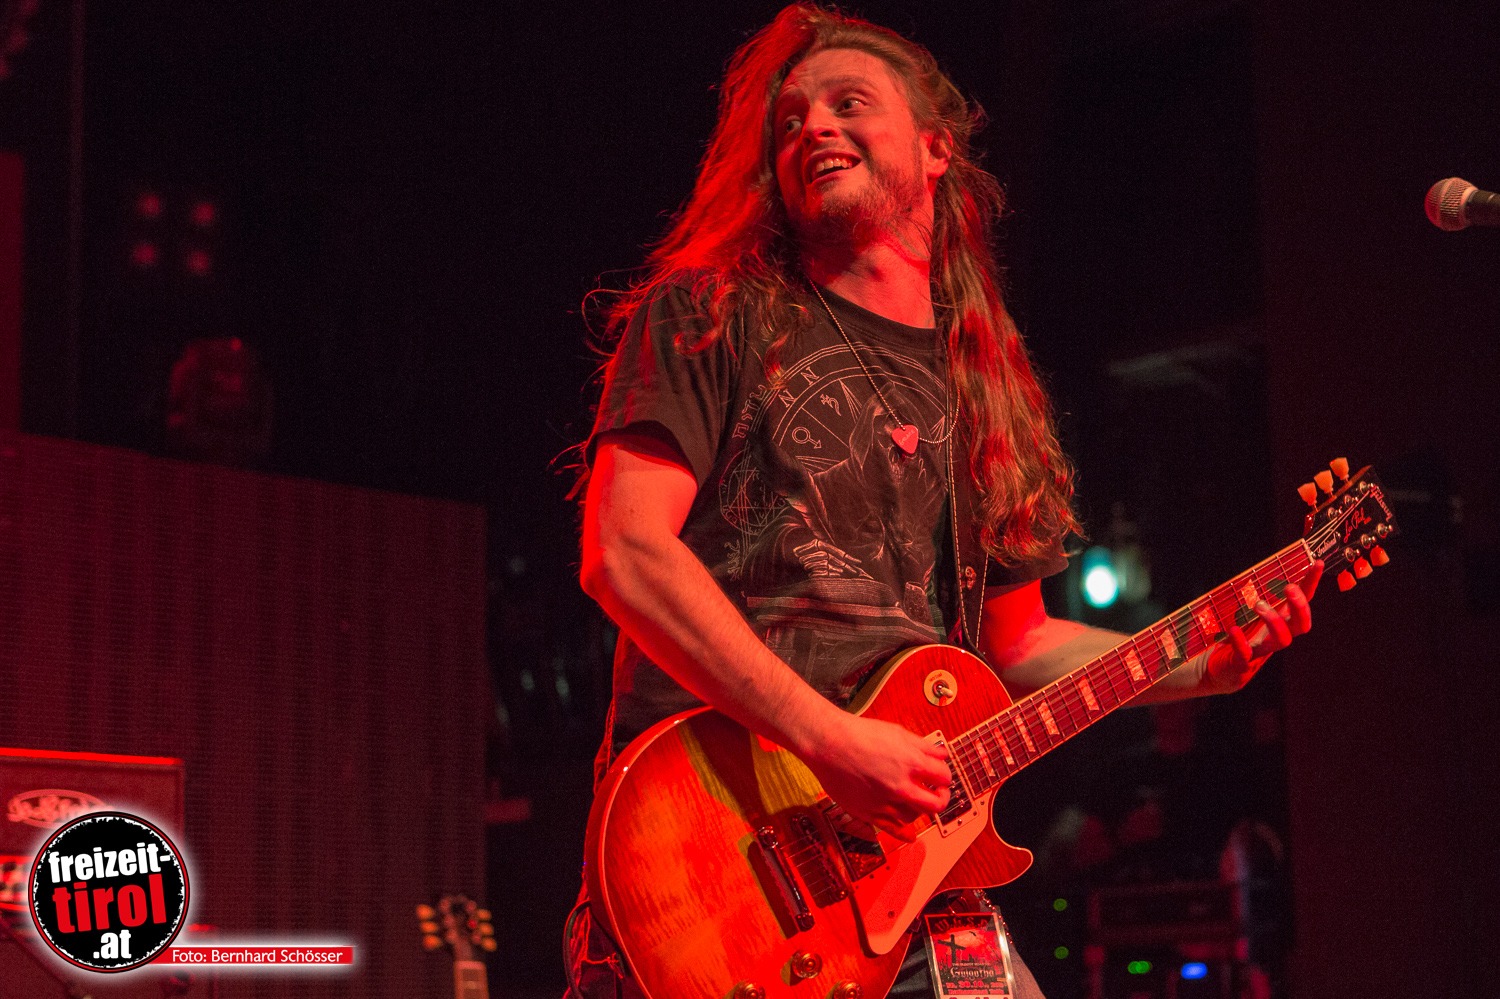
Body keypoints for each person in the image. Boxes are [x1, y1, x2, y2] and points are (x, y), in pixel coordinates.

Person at [570, 6, 1321, 998]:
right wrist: (831, 739)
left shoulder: (987, 386)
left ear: (935, 149)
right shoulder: (711, 313)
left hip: (921, 881)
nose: (814, 127)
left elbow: (1019, 645)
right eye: (790, 121)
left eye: (849, 104)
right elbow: (624, 552)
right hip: (723, 868)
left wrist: (1196, 666)